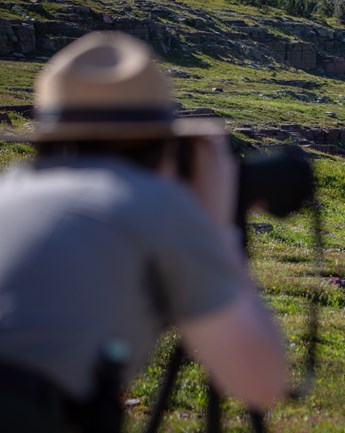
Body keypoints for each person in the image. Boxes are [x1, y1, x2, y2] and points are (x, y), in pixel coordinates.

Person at [0, 31, 287, 432]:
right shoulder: (153, 202)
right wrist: (219, 228)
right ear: (165, 145)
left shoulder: (9, 188)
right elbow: (261, 381)